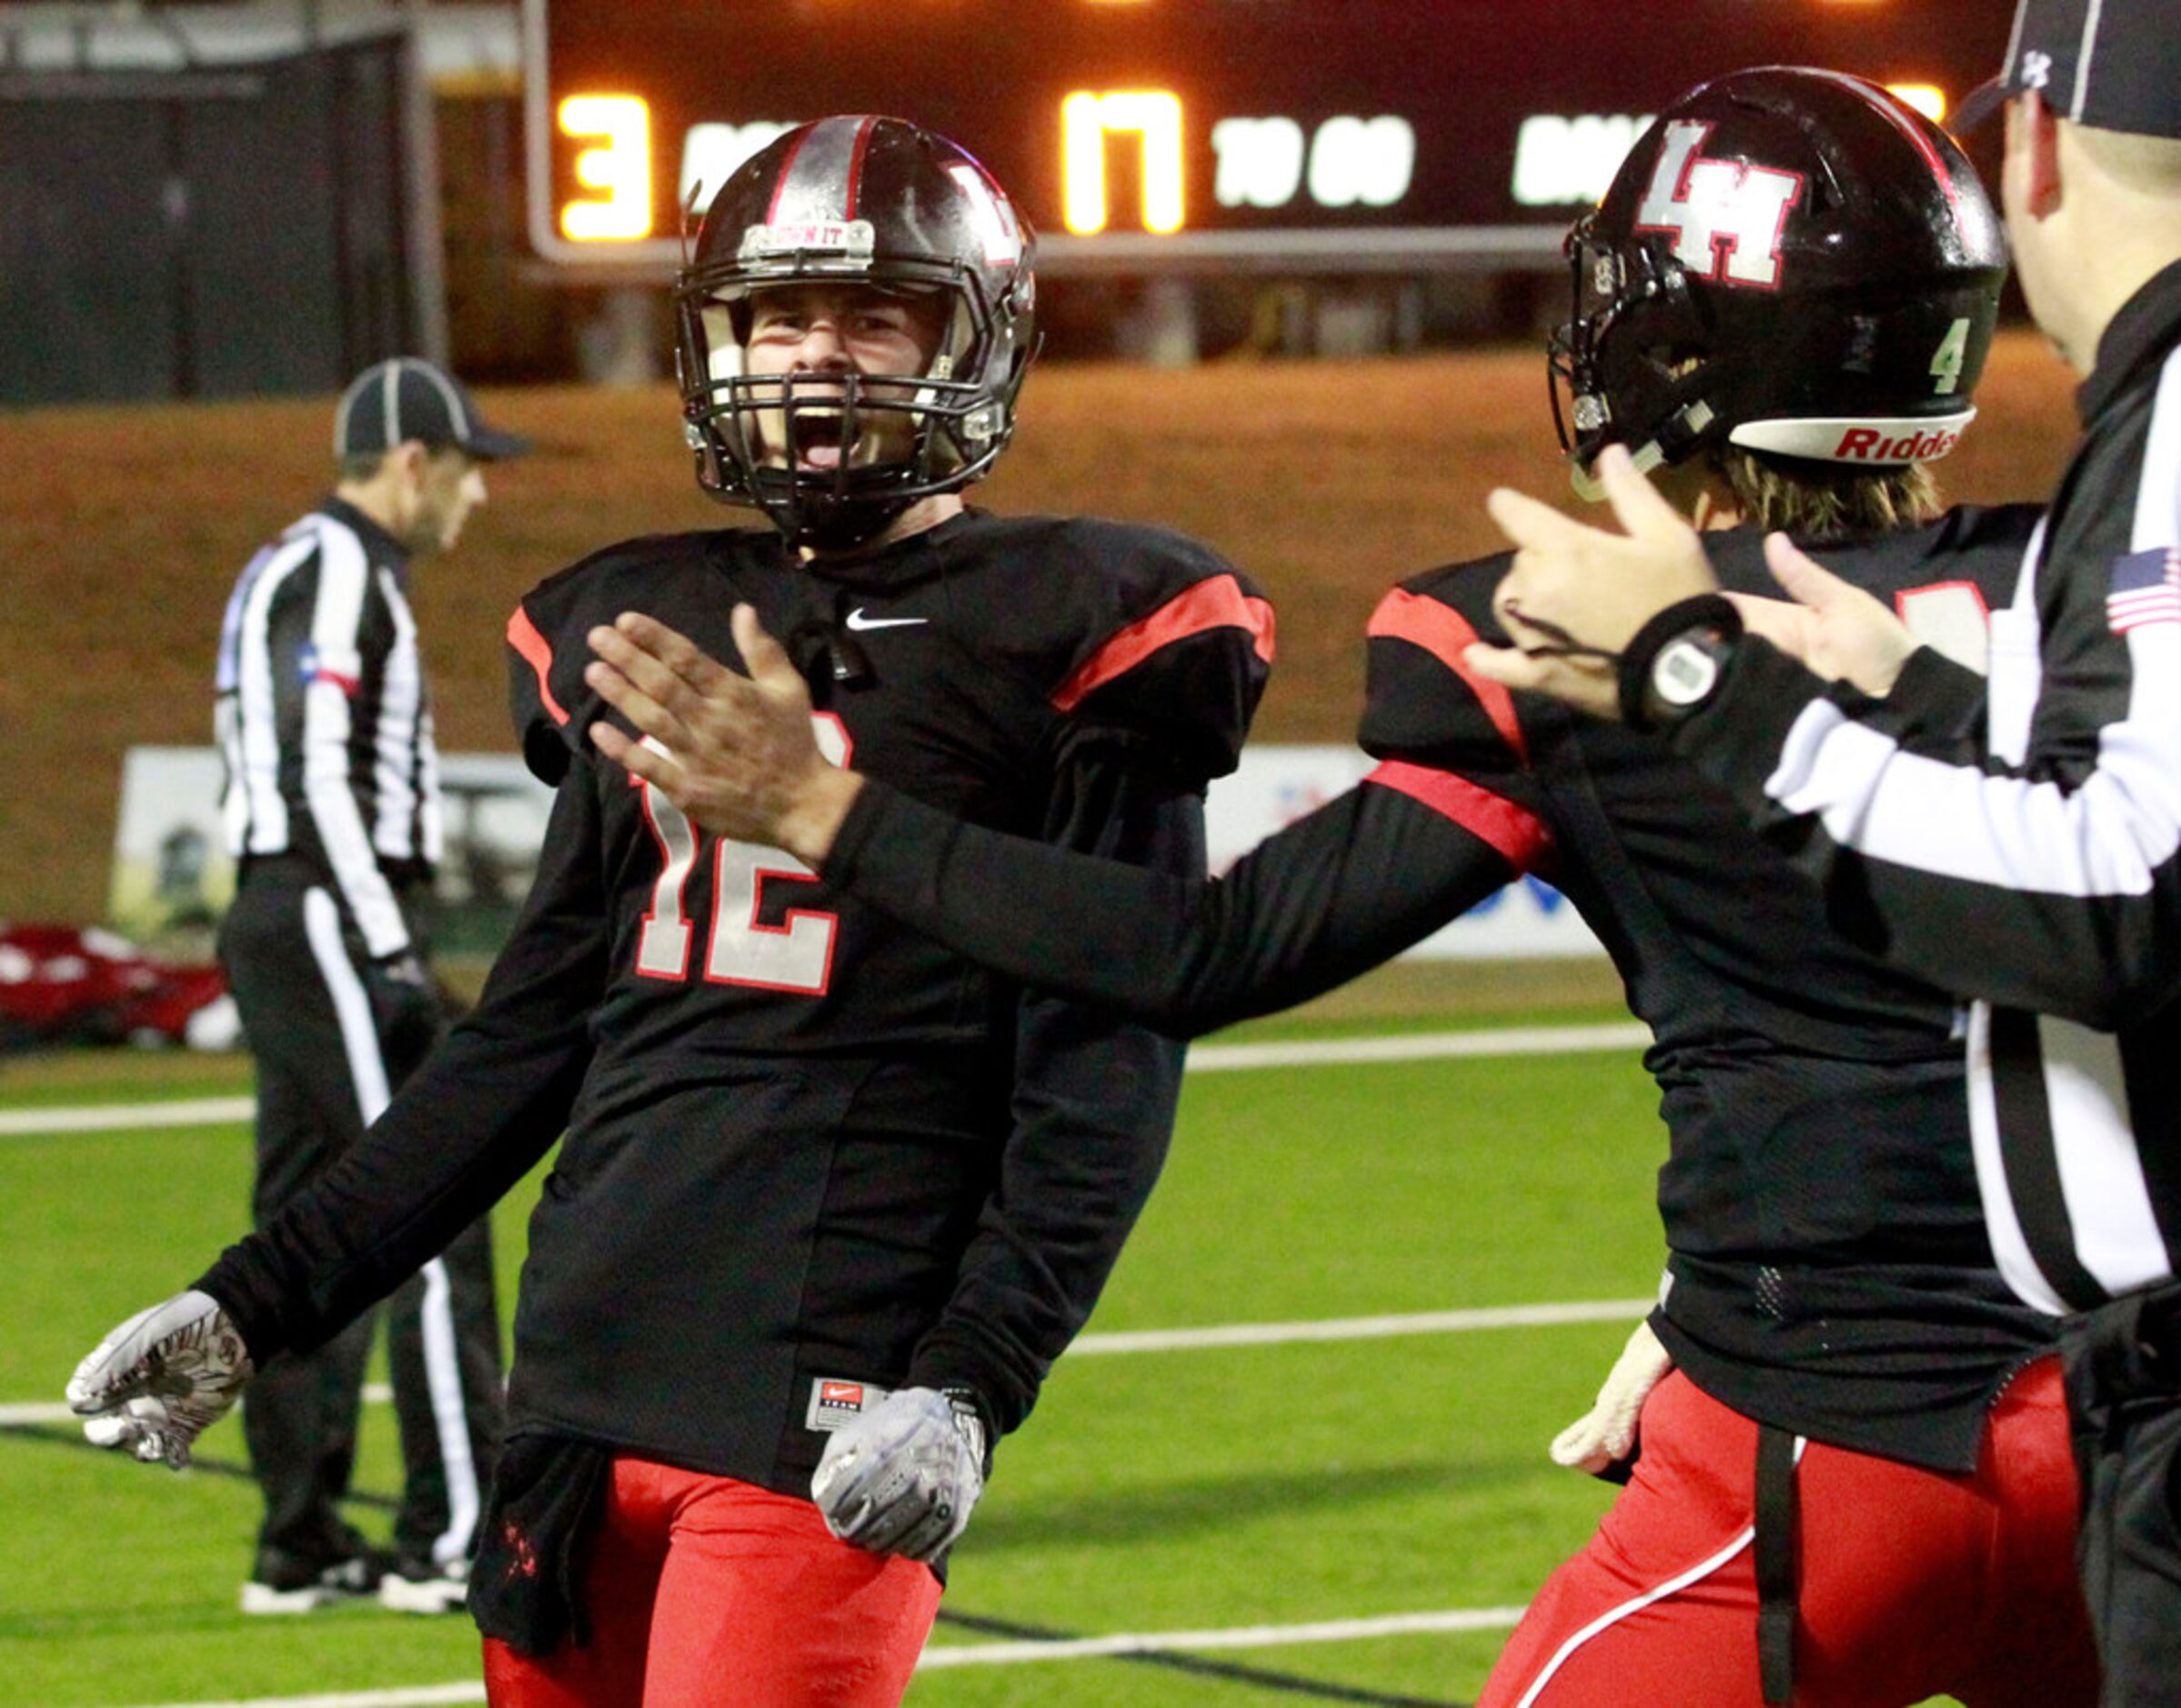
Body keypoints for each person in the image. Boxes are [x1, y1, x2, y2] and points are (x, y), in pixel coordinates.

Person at [567, 73, 2099, 1707]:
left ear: (1674, 342)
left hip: (1814, 1438)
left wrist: (820, 803)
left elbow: (1202, 949)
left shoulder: (1552, 636)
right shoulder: (2089, 594)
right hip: (2126, 1415)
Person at [68, 116, 1272, 1707]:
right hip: (575, 1380)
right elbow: (525, 1041)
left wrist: (976, 1379)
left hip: (823, 1395)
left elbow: (1101, 1065)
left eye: (870, 317)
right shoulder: (634, 619)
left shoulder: (1086, 624)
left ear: (974, 341)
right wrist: (261, 1296)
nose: (813, 362)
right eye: (776, 319)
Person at [1461, 6, 2181, 1697]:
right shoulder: (2075, 505)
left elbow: (2108, 902)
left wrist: (1693, 671)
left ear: (2040, 146)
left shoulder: (2154, 443)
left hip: (1899, 1418)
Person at [198, 356, 525, 1615]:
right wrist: (388, 942)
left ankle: (301, 1533)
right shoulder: (338, 571)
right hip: (327, 904)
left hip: (287, 910)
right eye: (465, 471)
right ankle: (450, 1534)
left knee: (310, 1218)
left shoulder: (305, 566)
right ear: (409, 463)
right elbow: (316, 770)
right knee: (434, 1204)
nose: (474, 499)